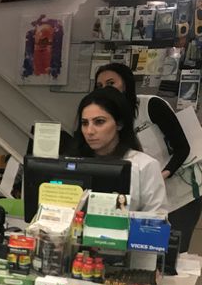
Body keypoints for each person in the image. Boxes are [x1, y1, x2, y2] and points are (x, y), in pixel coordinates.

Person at [95, 62, 201, 250]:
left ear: (125, 84)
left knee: (170, 249)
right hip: (141, 194)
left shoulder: (151, 105)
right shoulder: (107, 118)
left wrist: (159, 176)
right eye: (100, 86)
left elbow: (182, 148)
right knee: (142, 248)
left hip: (180, 189)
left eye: (111, 83)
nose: (105, 90)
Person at [71, 87, 167, 213]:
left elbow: (156, 223)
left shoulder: (145, 166)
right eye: (84, 123)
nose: (89, 131)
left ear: (119, 124)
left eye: (99, 122)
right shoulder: (73, 163)